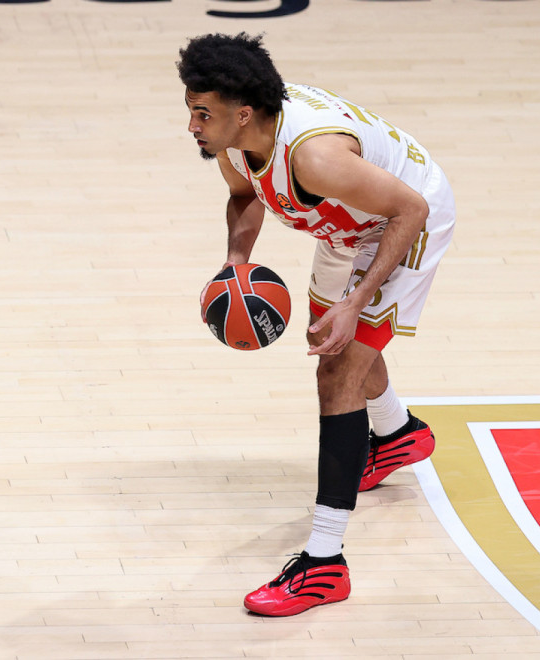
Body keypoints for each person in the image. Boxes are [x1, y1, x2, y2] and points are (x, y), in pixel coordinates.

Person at [177, 33, 455, 616]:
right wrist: (236, 262)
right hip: (345, 221)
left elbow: (411, 209)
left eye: (202, 113)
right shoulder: (234, 142)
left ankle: (324, 564)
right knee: (330, 341)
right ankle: (398, 434)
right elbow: (245, 195)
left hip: (403, 219)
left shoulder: (315, 158)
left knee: (337, 373)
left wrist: (357, 302)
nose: (192, 126)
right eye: (190, 111)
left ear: (243, 113)